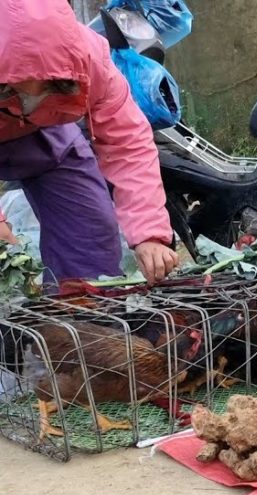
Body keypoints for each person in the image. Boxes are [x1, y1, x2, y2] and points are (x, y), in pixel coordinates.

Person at [0, 0, 178, 285]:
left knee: (90, 236)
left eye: (45, 83)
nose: (31, 92)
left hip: (49, 134)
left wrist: (149, 234)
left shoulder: (90, 59)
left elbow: (128, 143)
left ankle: (84, 322)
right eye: (18, 85)